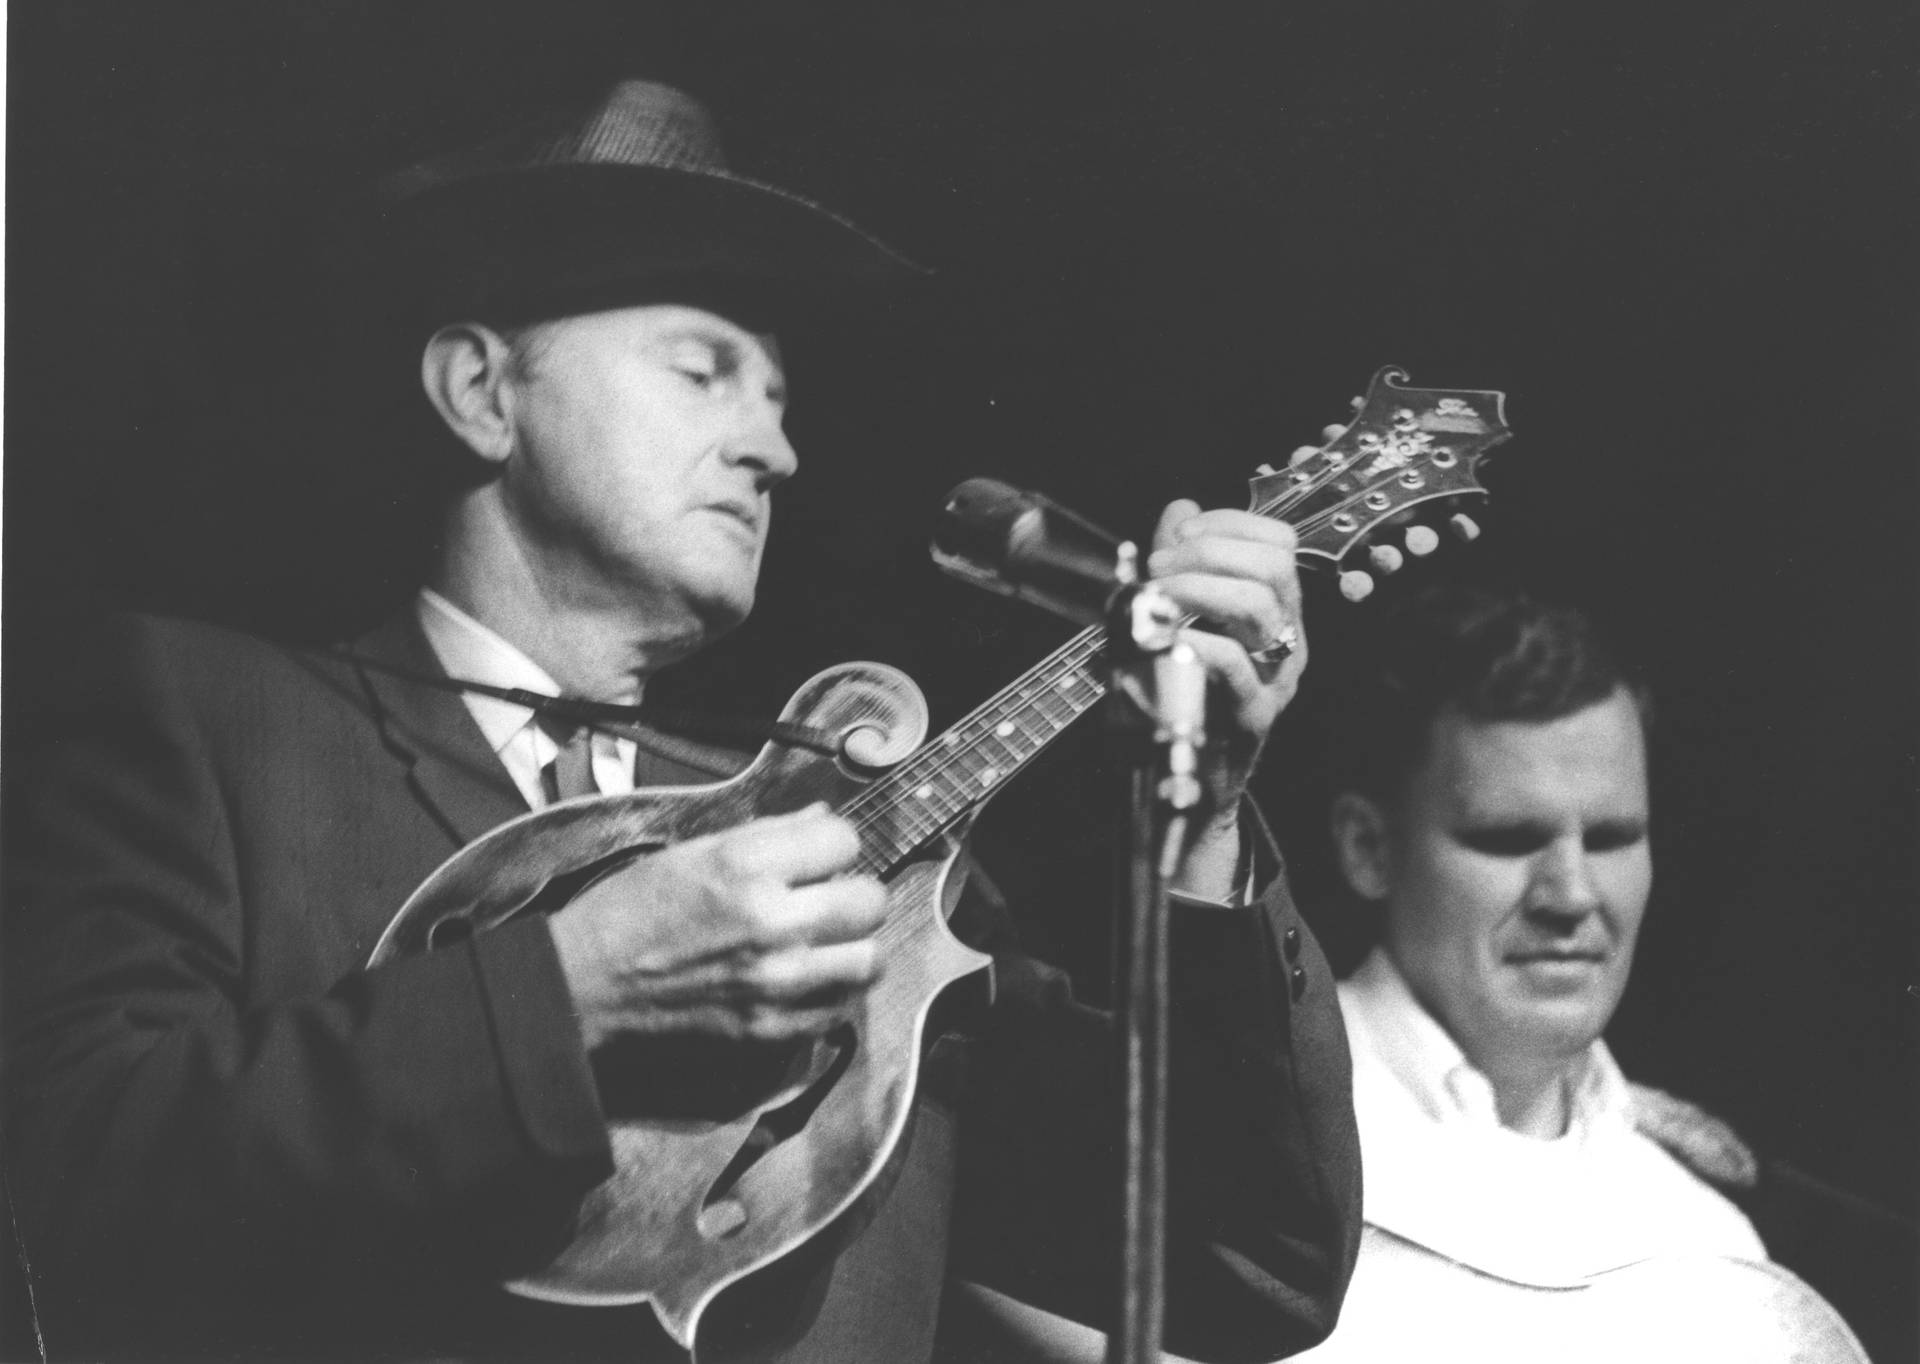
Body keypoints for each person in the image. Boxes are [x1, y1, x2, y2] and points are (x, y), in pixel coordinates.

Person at [2, 80, 1361, 1362]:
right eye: (704, 371)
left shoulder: (848, 842)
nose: (775, 449)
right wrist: (571, 989)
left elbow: (1250, 1265)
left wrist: (1207, 822)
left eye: (778, 400)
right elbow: (69, 1173)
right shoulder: (205, 716)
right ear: (483, 392)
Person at [1292, 585, 1868, 1363]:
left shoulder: (1707, 1243)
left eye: (1611, 837)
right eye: (1508, 837)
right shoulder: (1241, 1137)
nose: (1571, 894)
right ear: (1368, 848)